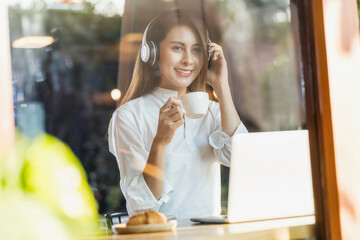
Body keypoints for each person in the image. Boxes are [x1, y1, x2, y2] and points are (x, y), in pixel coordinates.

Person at [108, 9, 248, 220]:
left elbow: (240, 159)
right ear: (152, 53)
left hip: (210, 235)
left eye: (197, 50)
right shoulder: (128, 116)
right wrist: (160, 142)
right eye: (177, 48)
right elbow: (142, 207)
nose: (189, 60)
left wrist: (221, 87)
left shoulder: (212, 110)